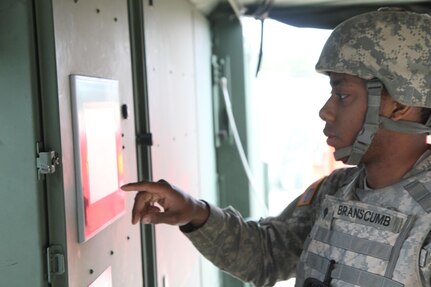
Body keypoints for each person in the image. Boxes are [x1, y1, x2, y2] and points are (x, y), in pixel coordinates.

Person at [122, 8, 431, 287]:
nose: (326, 111)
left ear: (399, 104)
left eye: (343, 95)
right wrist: (193, 211)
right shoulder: (336, 189)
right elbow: (266, 255)